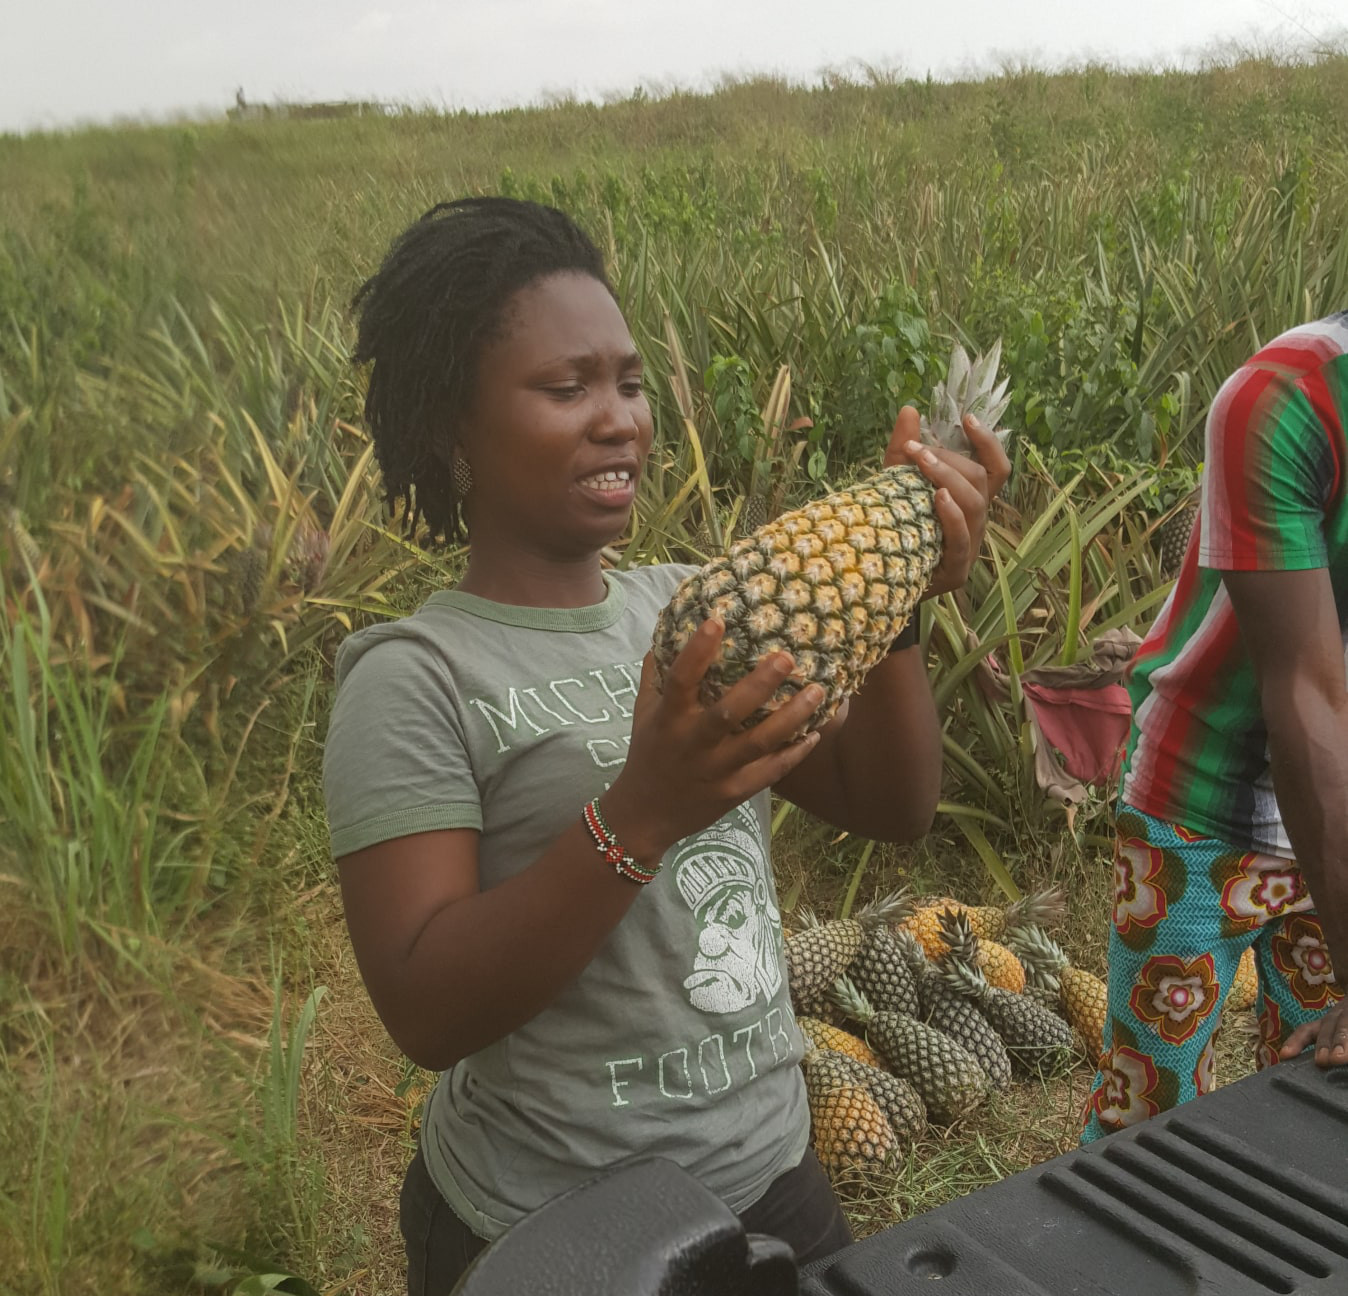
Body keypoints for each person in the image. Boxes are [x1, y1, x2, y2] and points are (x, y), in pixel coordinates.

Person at [323, 196, 1009, 1292]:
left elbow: (892, 807)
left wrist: (900, 607)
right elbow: (425, 1008)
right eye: (567, 388)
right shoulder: (415, 676)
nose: (620, 420)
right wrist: (640, 814)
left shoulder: (693, 605)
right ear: (450, 425)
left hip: (771, 1166)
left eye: (630, 383)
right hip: (552, 1217)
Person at [1082, 312, 1348, 1142]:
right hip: (1199, 806)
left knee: (1320, 1100)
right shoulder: (1287, 399)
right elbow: (1305, 694)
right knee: (1148, 1118)